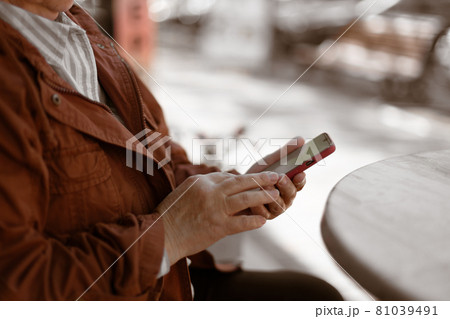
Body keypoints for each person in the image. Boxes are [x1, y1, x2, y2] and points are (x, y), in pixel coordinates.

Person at [0, 0, 342, 301]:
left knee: (313, 296)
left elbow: (157, 155)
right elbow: (20, 290)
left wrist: (229, 192)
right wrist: (171, 235)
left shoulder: (79, 27)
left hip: (170, 285)